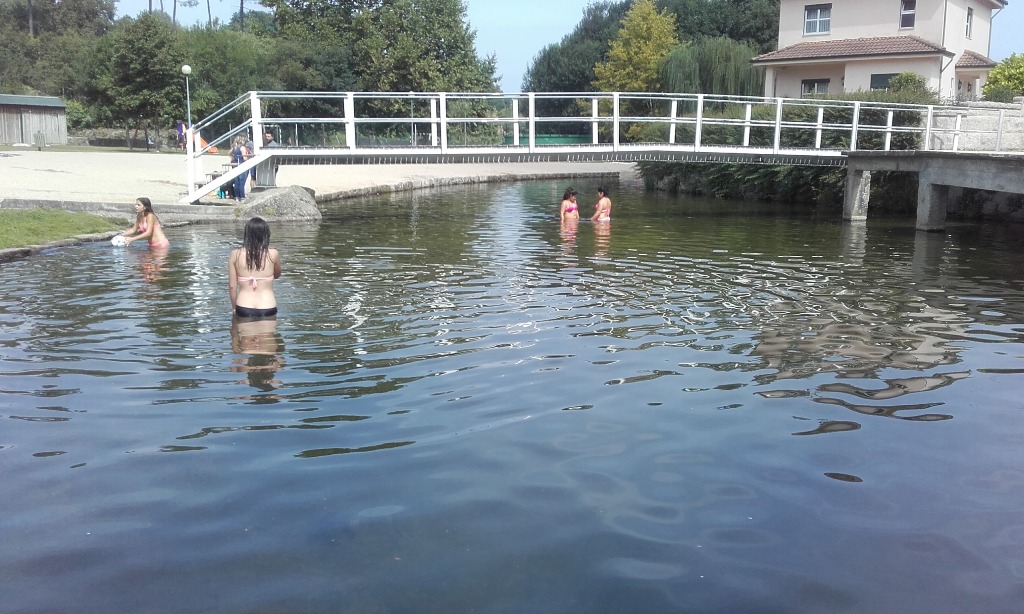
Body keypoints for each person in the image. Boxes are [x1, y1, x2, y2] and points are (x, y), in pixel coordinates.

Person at [229, 216, 281, 320]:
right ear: (266, 235)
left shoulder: (235, 254)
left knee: (244, 335)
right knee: (269, 336)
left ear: (247, 235)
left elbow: (232, 286)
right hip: (267, 306)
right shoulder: (273, 254)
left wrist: (235, 308)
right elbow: (277, 275)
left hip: (244, 306)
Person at [230, 135, 251, 201]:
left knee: (237, 182)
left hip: (235, 165)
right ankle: (242, 197)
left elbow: (231, 157)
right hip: (242, 165)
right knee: (242, 182)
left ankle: (236, 196)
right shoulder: (242, 148)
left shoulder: (234, 147)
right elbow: (244, 158)